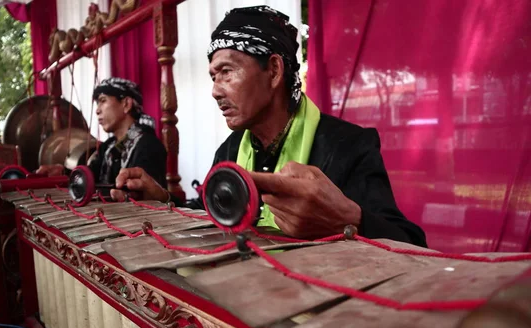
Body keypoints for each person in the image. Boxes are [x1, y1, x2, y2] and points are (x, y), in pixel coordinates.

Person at [111, 6, 426, 247]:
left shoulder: (348, 146)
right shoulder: (231, 149)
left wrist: (350, 221)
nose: (215, 90)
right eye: (212, 76)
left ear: (274, 70)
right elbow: (210, 212)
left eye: (227, 72)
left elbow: (410, 245)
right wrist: (164, 200)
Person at [37, 77, 167, 188]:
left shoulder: (148, 146)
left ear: (126, 104)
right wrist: (64, 173)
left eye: (103, 101)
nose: (97, 110)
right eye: (97, 104)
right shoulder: (109, 147)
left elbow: (148, 197)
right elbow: (91, 177)